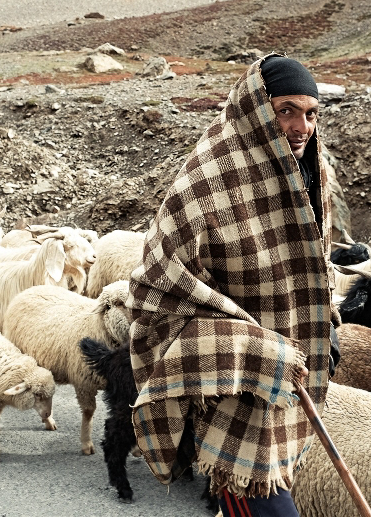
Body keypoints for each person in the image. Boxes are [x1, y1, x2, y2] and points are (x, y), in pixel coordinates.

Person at [128, 54, 340, 516]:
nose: (301, 126)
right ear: (257, 108)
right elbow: (155, 292)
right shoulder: (206, 181)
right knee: (265, 503)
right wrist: (252, 347)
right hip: (234, 386)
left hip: (294, 369)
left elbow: (313, 265)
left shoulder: (312, 172)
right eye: (286, 110)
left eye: (310, 113)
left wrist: (328, 324)